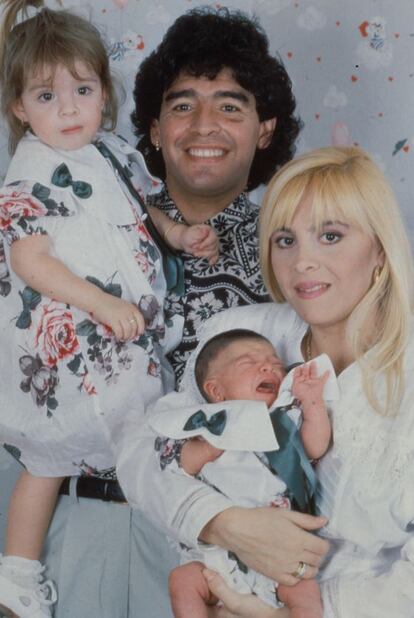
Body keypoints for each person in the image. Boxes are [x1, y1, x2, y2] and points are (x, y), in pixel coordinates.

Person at [0, 2, 219, 617]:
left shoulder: (112, 152)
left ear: (104, 91)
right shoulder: (30, 173)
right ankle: (16, 573)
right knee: (47, 454)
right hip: (72, 345)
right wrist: (97, 300)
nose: (68, 109)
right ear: (19, 107)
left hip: (124, 346)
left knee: (144, 435)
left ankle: (186, 544)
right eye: (46, 95)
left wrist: (175, 237)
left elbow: (140, 208)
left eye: (83, 89)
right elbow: (31, 261)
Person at [152, 144, 413, 617]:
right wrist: (224, 524)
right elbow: (150, 455)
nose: (302, 262)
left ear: (379, 248)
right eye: (285, 240)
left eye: (330, 236)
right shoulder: (235, 336)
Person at [131, 6, 302, 381]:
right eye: (183, 105)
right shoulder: (108, 224)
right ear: (156, 130)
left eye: (228, 107)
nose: (204, 125)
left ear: (264, 132)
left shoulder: (294, 252)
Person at [150, 328, 335, 618]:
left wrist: (312, 404)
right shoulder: (204, 426)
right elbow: (177, 466)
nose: (268, 367)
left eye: (275, 364)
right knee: (182, 580)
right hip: (217, 556)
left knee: (305, 594)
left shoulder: (283, 419)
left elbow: (314, 447)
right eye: (248, 363)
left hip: (281, 556)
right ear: (216, 390)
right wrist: (209, 449)